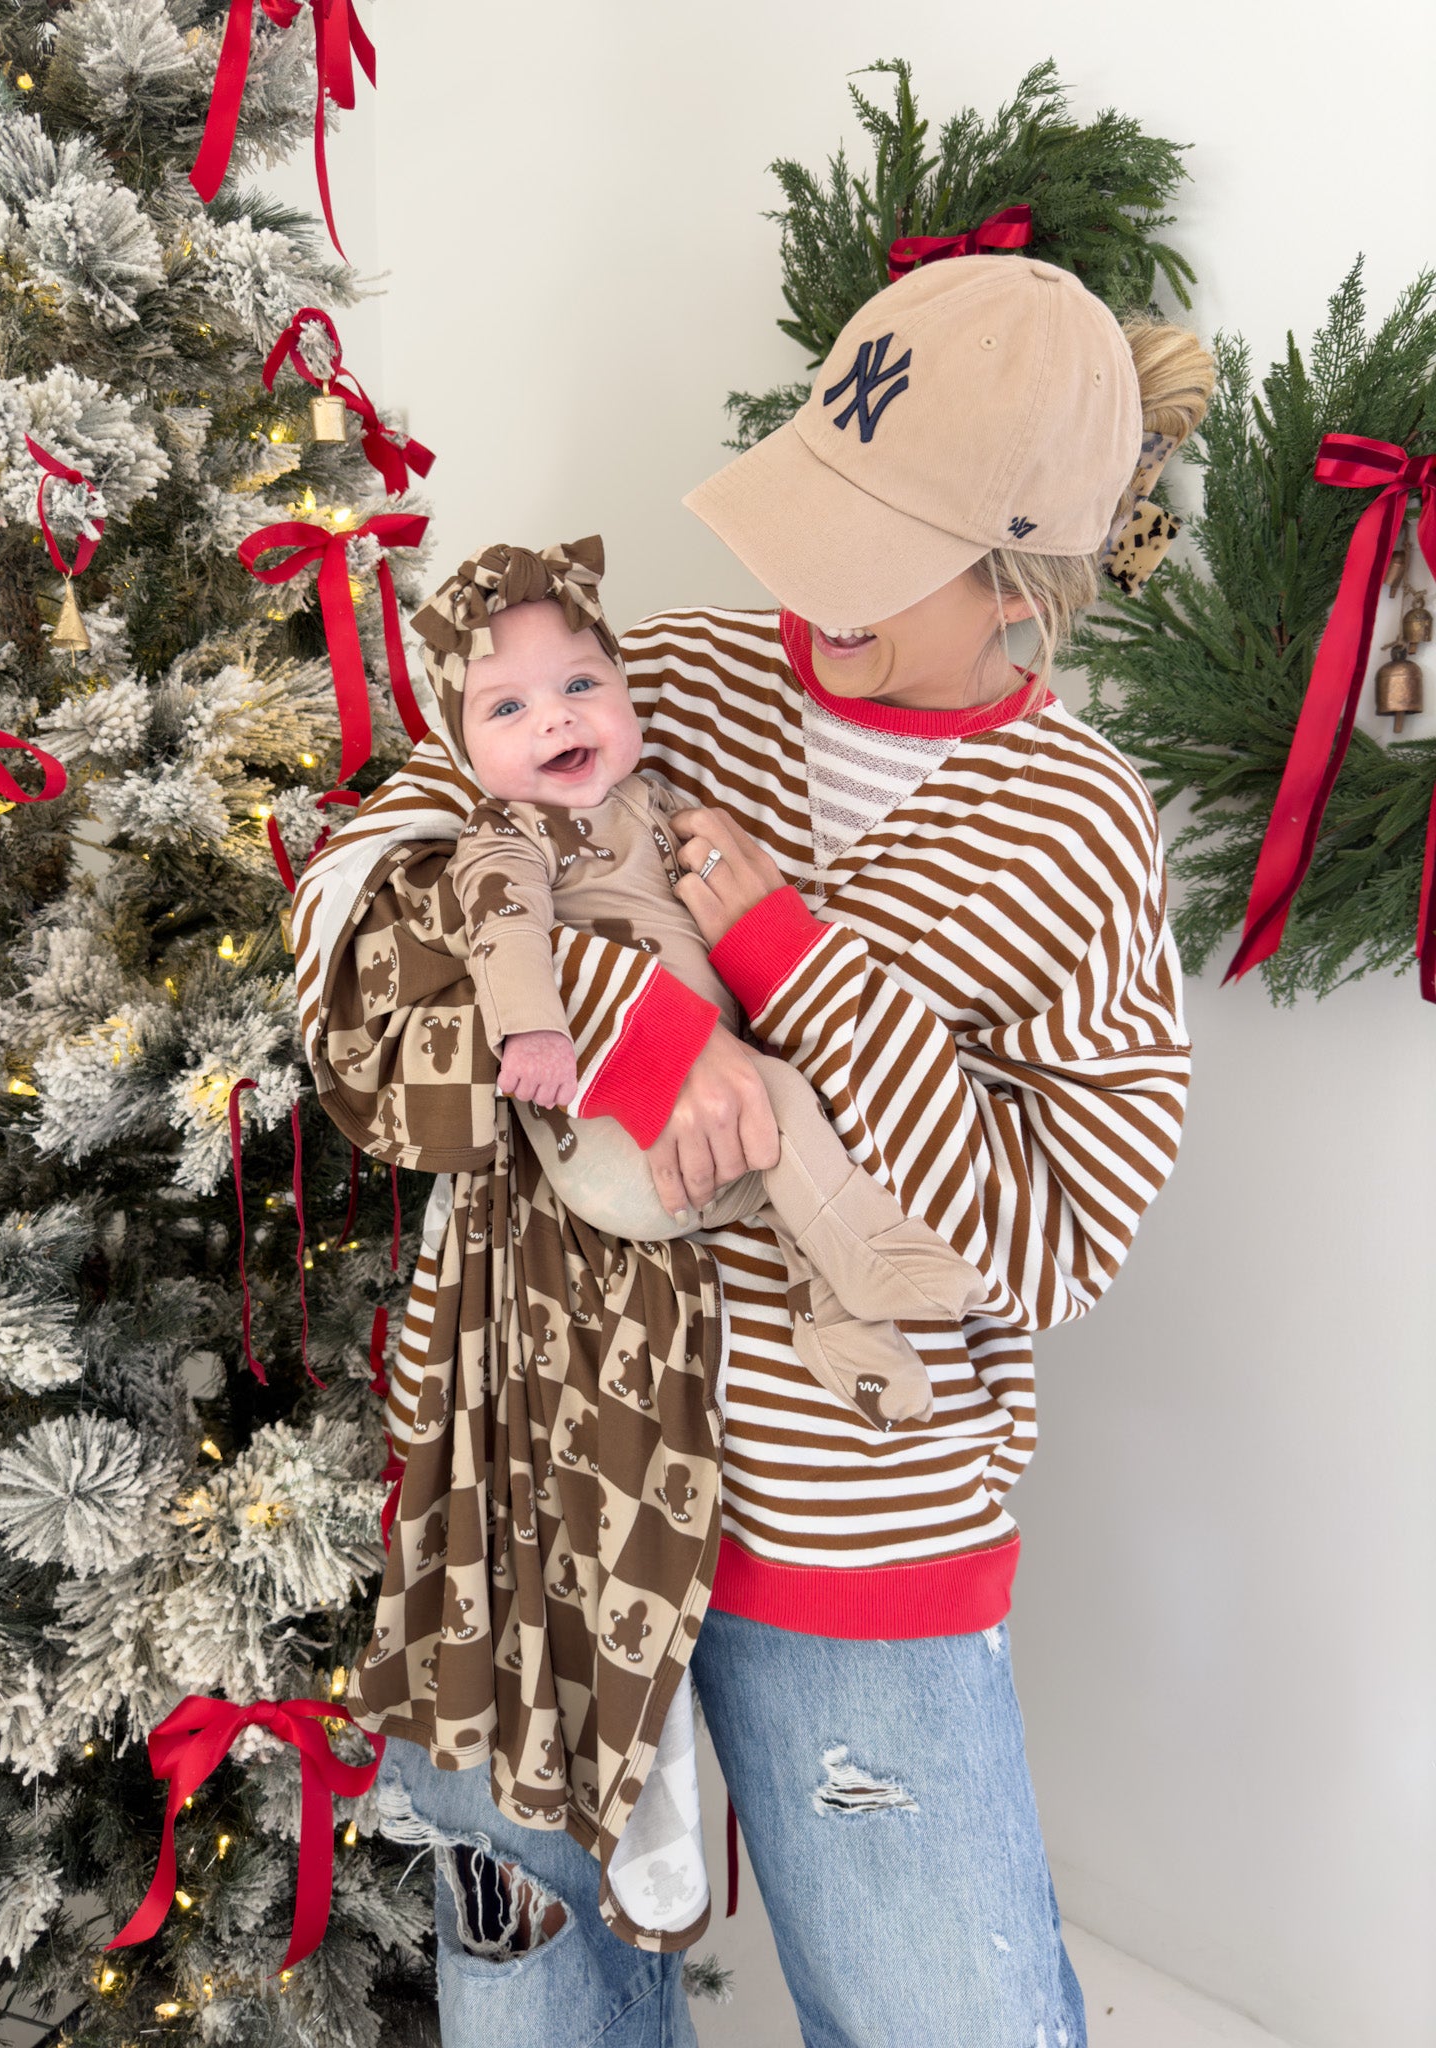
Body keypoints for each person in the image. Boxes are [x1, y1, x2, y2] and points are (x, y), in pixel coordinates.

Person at [366, 251, 1211, 2046]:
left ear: (1020, 586)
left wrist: (795, 971)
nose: (803, 585)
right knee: (535, 2011)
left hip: (858, 1537)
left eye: (877, 550)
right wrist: (645, 1026)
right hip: (542, 1497)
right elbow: (365, 924)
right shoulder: (648, 683)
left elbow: (1045, 1243)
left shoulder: (1075, 831)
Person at [426, 543, 984, 1432]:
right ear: (461, 750)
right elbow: (501, 928)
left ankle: (852, 1342)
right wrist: (533, 1031)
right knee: (783, 1100)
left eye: (581, 687)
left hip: (696, 1135)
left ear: (624, 686)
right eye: (507, 708)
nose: (554, 722)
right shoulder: (506, 831)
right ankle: (869, 1252)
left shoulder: (645, 798)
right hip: (614, 1121)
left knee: (777, 1178)